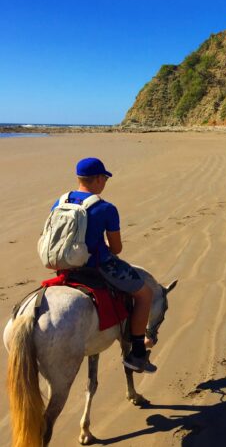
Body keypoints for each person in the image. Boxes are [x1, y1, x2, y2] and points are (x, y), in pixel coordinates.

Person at [50, 157, 157, 373]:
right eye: (104, 178)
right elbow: (116, 249)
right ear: (98, 179)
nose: (105, 183)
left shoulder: (60, 202)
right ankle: (136, 353)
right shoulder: (106, 208)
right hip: (96, 266)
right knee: (145, 295)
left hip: (65, 265)